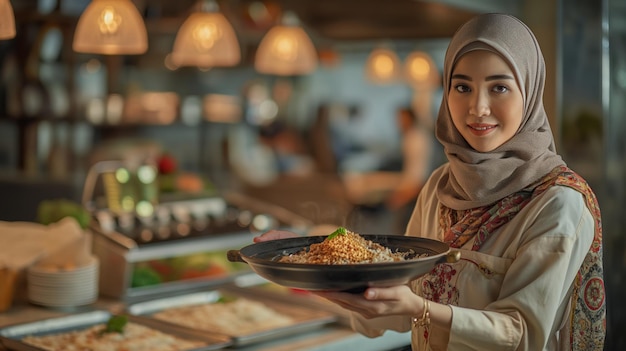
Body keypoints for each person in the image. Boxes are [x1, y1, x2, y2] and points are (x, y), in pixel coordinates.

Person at [254, 13, 606, 351]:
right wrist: (316, 267)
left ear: (529, 92)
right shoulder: (443, 186)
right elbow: (400, 304)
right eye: (462, 86)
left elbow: (523, 334)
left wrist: (419, 308)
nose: (477, 107)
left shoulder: (557, 203)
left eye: (499, 87)